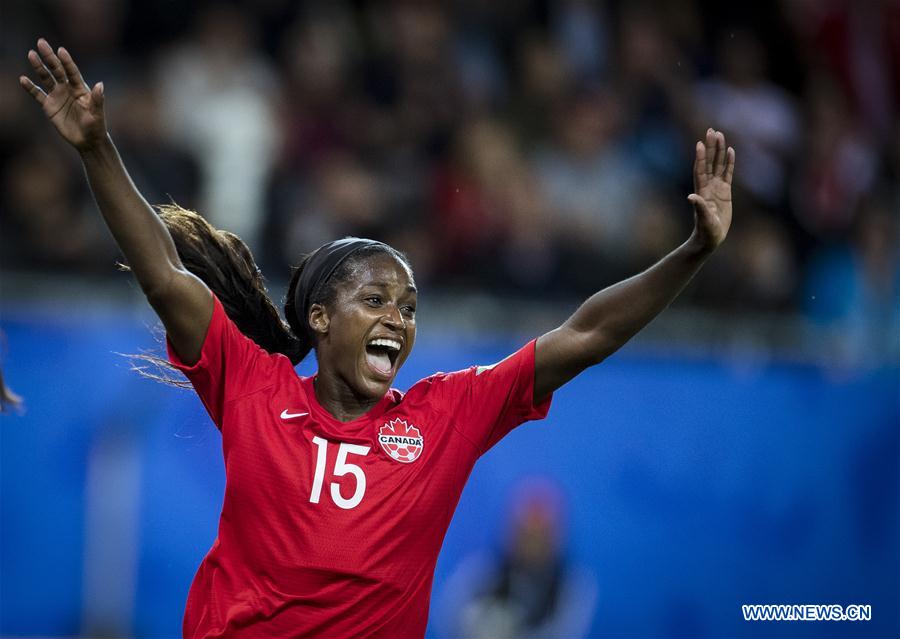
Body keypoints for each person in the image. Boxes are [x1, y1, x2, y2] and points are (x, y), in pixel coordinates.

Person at [19, 38, 735, 638]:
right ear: (323, 319)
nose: (398, 317)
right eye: (376, 299)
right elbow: (166, 274)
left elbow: (588, 331)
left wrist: (693, 253)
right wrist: (96, 147)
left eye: (410, 306)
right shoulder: (253, 385)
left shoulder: (444, 417)